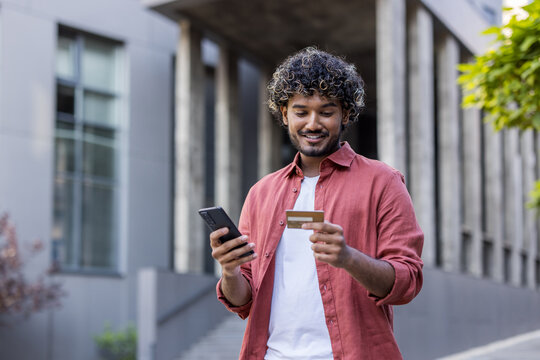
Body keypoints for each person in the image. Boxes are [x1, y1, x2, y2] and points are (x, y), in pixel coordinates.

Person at [210, 47, 424, 360]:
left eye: (326, 111)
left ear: (346, 114)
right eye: (301, 111)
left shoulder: (383, 182)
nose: (313, 123)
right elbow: (243, 299)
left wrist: (349, 258)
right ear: (284, 114)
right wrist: (229, 270)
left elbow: (407, 281)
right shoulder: (261, 193)